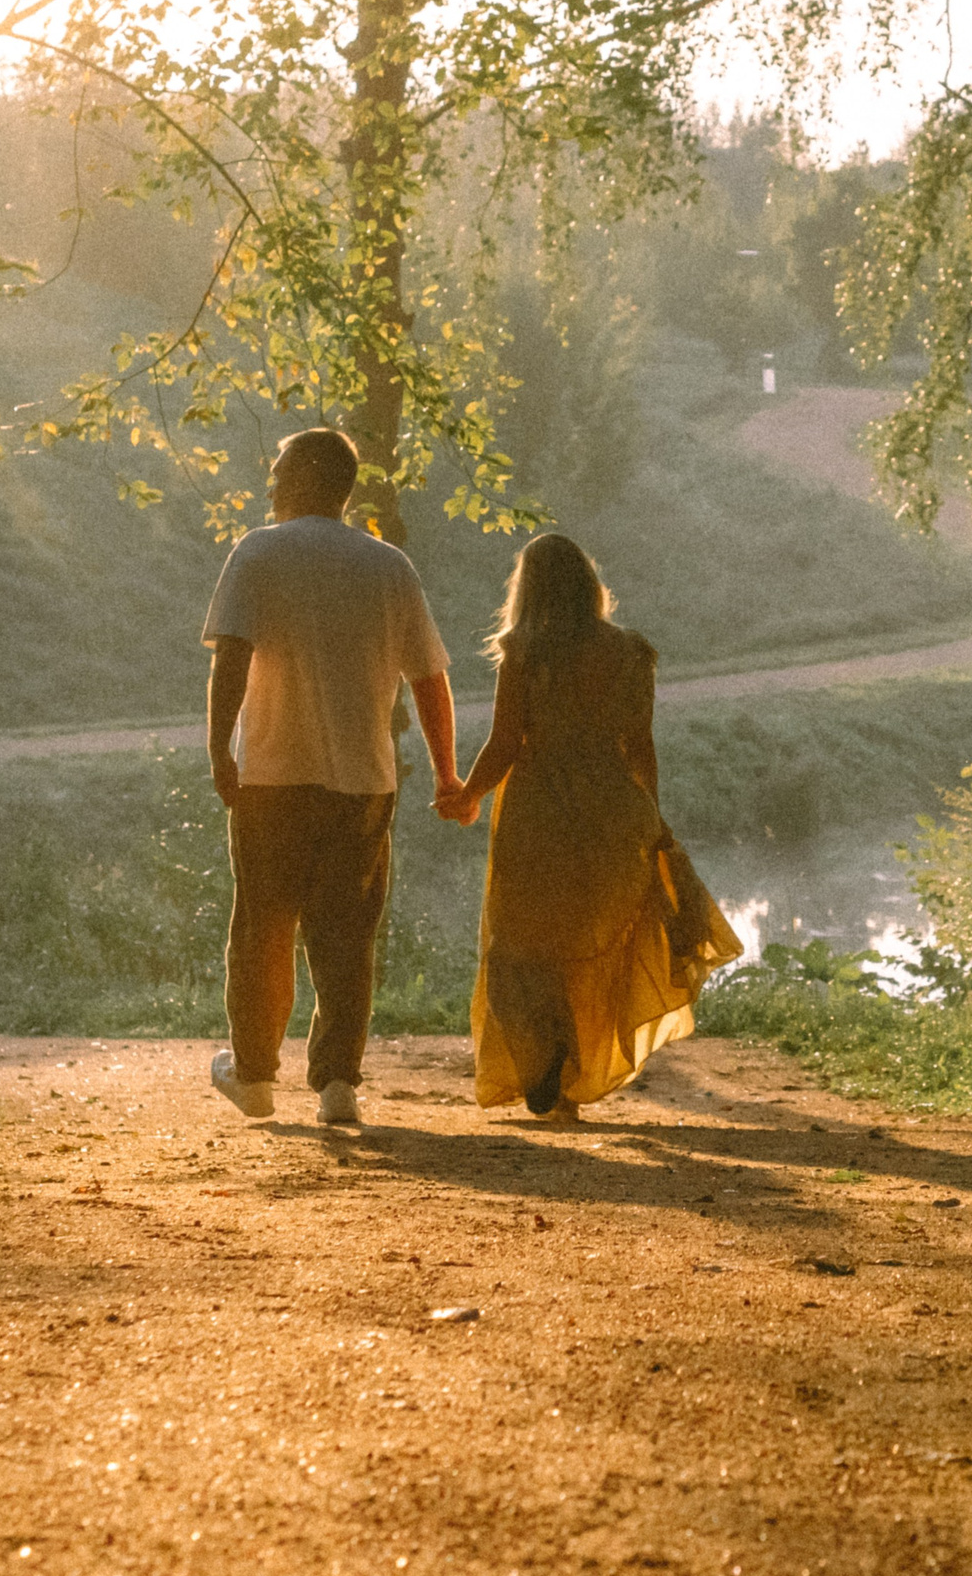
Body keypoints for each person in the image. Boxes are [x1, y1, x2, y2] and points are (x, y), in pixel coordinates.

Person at [202, 427, 458, 1125]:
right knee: (346, 934)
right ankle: (338, 1084)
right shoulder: (388, 566)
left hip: (272, 779)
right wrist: (446, 773)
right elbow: (430, 679)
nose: (270, 477)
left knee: (264, 926)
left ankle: (254, 1076)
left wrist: (220, 749)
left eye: (278, 466)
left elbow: (230, 660)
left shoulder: (256, 553)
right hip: (363, 782)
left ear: (302, 479)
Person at [439, 533, 740, 1121]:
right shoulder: (633, 654)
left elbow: (506, 741)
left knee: (520, 946)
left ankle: (545, 1061)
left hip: (539, 811)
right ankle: (572, 1078)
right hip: (612, 811)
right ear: (588, 583)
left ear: (526, 590)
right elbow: (640, 746)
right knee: (593, 946)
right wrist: (650, 818)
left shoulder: (524, 652)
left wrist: (468, 793)